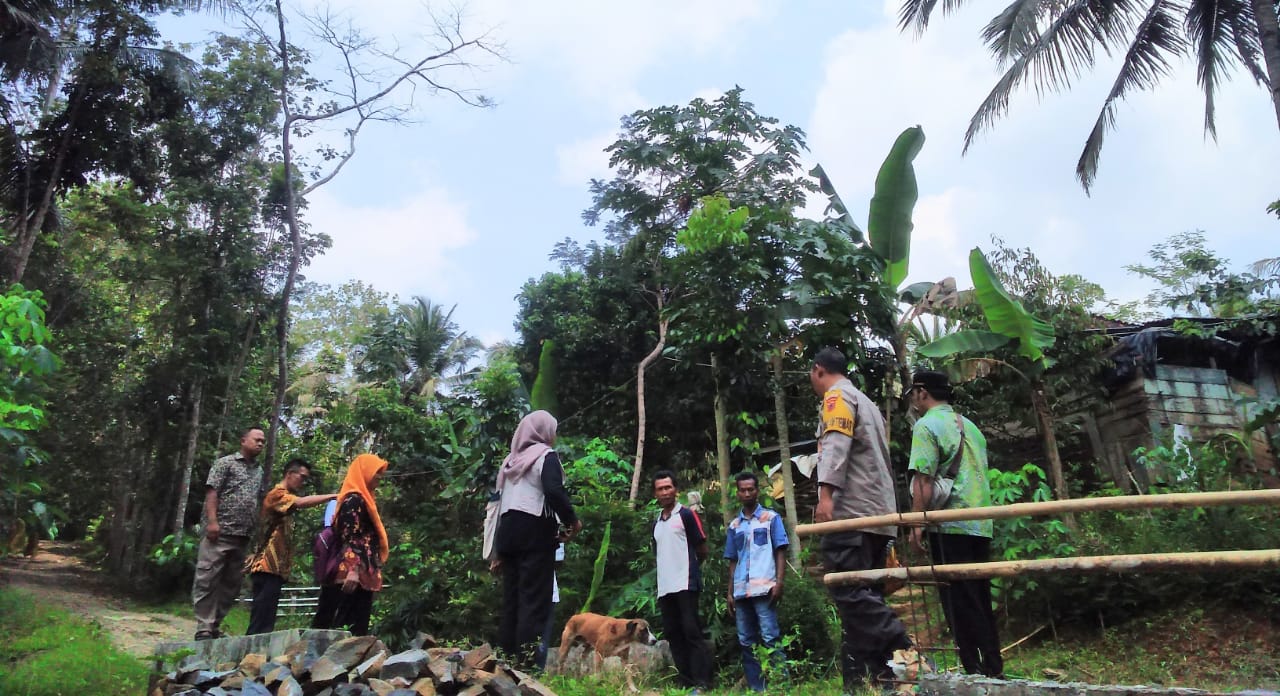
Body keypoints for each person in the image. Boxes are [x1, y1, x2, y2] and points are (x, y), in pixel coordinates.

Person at [809, 347, 912, 691]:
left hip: (852, 515)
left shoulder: (837, 398)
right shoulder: (866, 402)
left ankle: (901, 644)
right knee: (864, 598)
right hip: (879, 514)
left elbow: (836, 447)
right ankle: (867, 680)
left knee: (848, 589)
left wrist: (826, 496)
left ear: (818, 370)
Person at [906, 370, 1003, 678]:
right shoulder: (971, 427)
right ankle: (993, 667)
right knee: (980, 599)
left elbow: (922, 477)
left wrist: (917, 524)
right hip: (980, 524)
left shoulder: (926, 426)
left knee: (957, 602)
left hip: (949, 525)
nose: (912, 400)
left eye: (913, 393)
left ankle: (973, 670)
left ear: (922, 392)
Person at [494, 410, 581, 669]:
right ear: (544, 431)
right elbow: (553, 491)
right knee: (533, 602)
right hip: (534, 533)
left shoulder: (510, 462)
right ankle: (527, 665)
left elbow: (497, 502)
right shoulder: (545, 456)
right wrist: (573, 521)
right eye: (552, 429)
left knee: (512, 601)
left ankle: (506, 661)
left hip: (507, 534)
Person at [244, 459, 337, 635]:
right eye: (301, 477)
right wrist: (333, 496)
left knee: (267, 617)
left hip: (276, 568)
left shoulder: (284, 498)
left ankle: (258, 655)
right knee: (261, 618)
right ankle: (251, 655)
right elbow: (300, 502)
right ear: (289, 474)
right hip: (266, 565)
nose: (303, 482)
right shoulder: (277, 494)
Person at [192, 426, 266, 640]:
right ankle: (203, 627)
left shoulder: (259, 470)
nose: (260, 444)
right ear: (243, 440)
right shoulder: (225, 463)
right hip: (220, 532)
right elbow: (212, 492)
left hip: (242, 536)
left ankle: (214, 625)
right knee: (207, 578)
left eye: (263, 441)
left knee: (231, 584)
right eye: (256, 440)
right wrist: (213, 522)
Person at [725, 471, 790, 692]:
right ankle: (757, 687)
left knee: (771, 636)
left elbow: (781, 551)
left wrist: (779, 582)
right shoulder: (734, 526)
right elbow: (733, 560)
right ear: (737, 492)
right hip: (742, 591)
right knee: (746, 641)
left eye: (750, 489)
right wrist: (730, 592)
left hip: (765, 588)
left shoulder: (771, 518)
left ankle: (781, 685)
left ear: (757, 491)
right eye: (742, 490)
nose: (746, 493)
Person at [652, 469, 712, 691]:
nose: (665, 492)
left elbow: (702, 549)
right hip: (665, 587)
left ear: (675, 490)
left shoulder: (686, 515)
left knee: (691, 631)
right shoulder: (657, 522)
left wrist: (691, 570)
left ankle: (702, 682)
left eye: (668, 487)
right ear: (655, 493)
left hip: (686, 583)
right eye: (660, 489)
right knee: (673, 633)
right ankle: (685, 681)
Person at [329, 453, 390, 636]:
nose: (379, 477)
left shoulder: (366, 500)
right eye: (376, 472)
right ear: (364, 472)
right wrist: (353, 570)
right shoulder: (353, 500)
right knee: (348, 624)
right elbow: (350, 537)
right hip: (354, 572)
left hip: (364, 572)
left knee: (359, 624)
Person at [310, 498, 343, 630]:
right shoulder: (327, 535)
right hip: (331, 580)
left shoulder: (338, 535)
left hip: (335, 579)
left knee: (329, 613)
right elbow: (322, 558)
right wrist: (325, 577)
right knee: (326, 614)